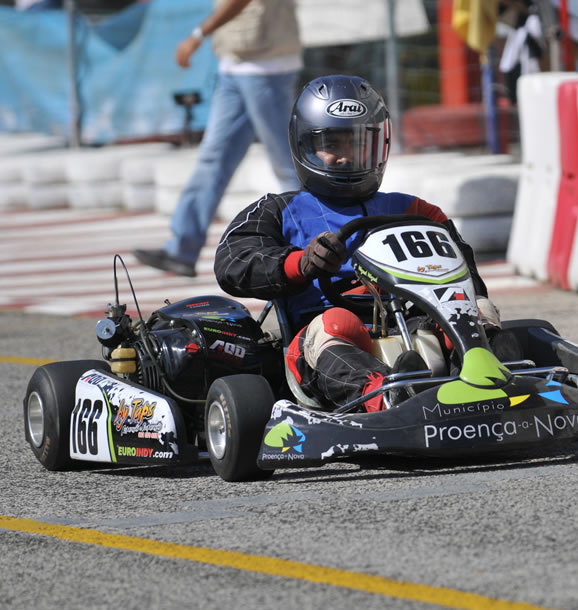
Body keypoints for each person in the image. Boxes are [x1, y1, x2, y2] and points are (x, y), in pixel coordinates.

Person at [214, 74, 502, 412]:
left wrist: (473, 311)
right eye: (332, 144)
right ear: (304, 145)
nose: (345, 156)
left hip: (408, 322)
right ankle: (386, 398)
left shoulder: (414, 210)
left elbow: (464, 276)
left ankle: (488, 379)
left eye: (357, 143)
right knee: (338, 322)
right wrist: (300, 263)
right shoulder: (279, 211)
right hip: (322, 336)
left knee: (475, 310)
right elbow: (233, 262)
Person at [133, 0, 302, 278]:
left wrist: (198, 34)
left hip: (265, 65)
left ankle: (318, 241)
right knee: (213, 158)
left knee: (287, 165)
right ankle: (181, 249)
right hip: (235, 64)